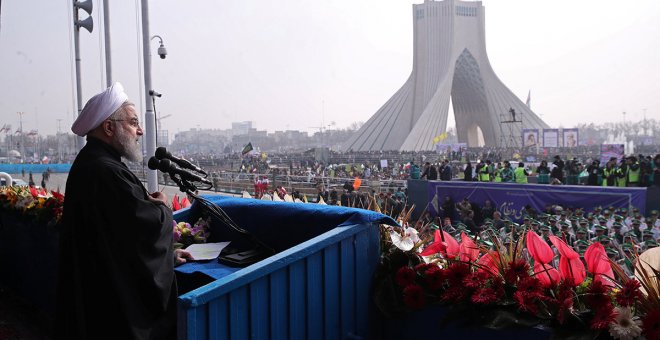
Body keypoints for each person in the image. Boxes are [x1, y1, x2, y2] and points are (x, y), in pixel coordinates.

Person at [56, 82, 193, 339]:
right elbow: (143, 228)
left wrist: (168, 257)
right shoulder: (105, 170)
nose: (140, 131)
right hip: (111, 307)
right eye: (133, 123)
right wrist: (163, 207)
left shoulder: (96, 163)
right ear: (109, 127)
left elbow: (119, 239)